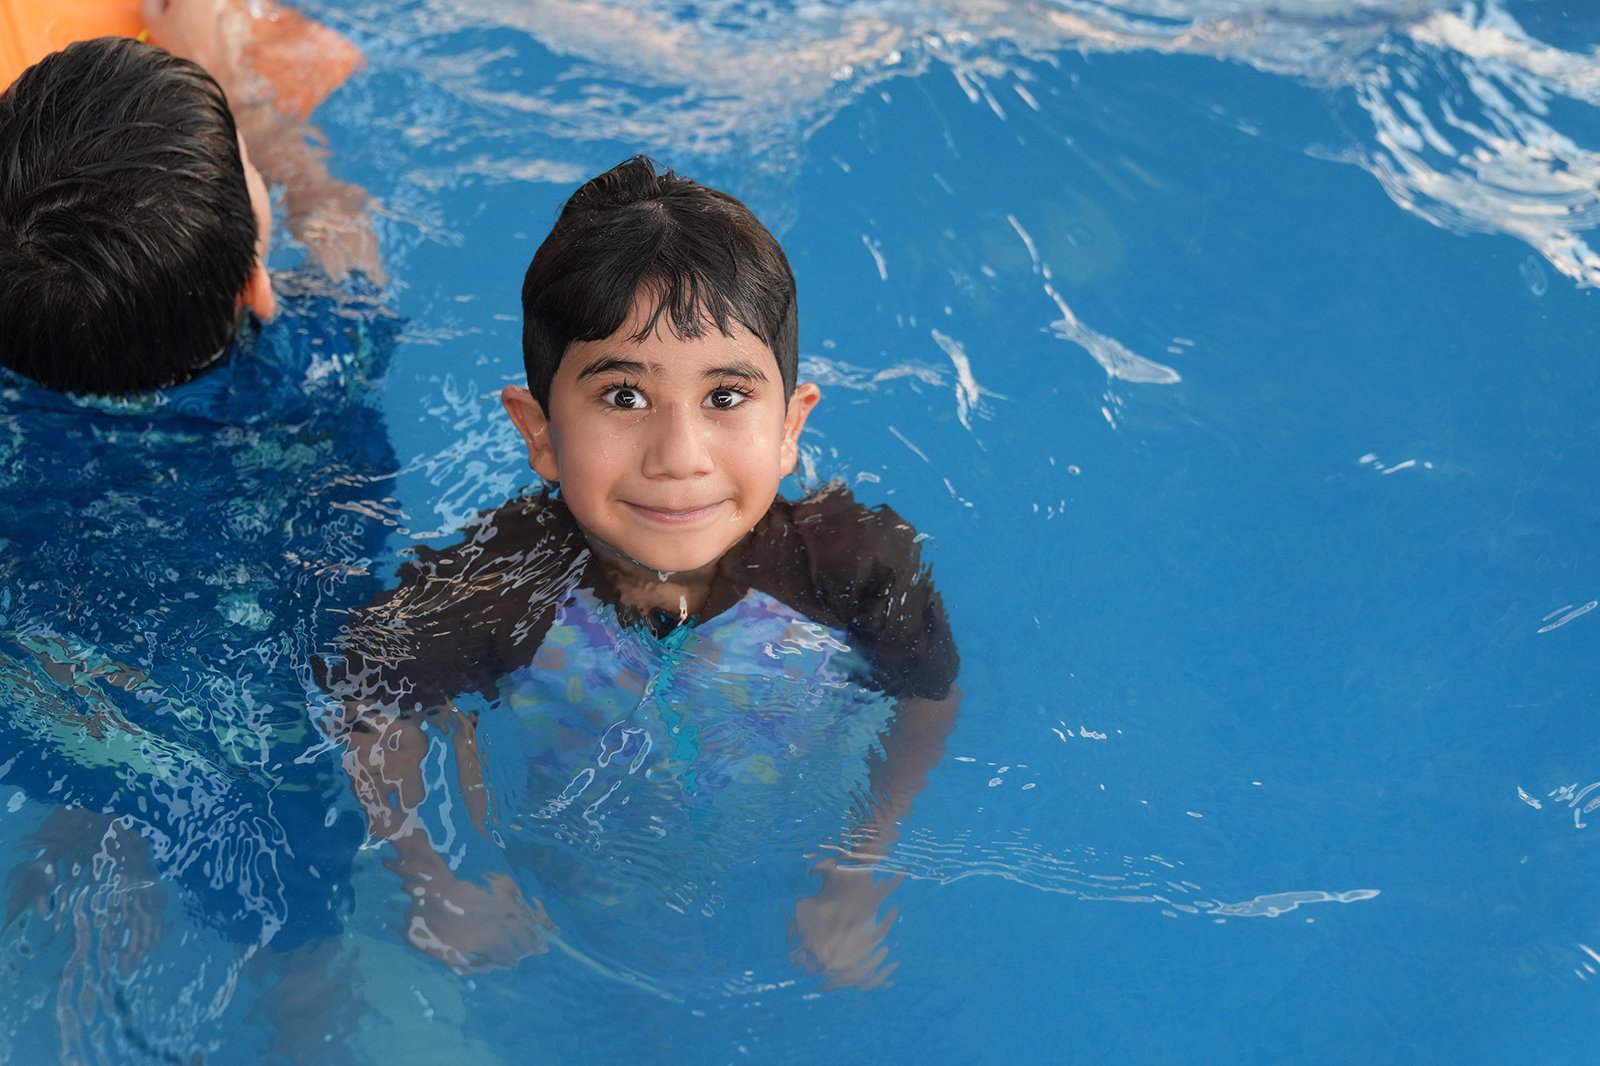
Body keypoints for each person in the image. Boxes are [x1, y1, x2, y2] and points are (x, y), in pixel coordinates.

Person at [321, 155, 960, 989]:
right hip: (563, 900)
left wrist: (857, 863)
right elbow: (366, 700)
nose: (679, 457)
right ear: (539, 430)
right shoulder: (497, 587)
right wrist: (431, 880)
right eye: (624, 396)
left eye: (725, 396)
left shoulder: (853, 570)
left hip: (766, 875)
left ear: (789, 426)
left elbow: (927, 698)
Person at [0, 0, 380, 394]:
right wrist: (244, 103)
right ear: (254, 291)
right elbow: (346, 241)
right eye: (247, 162)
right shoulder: (321, 364)